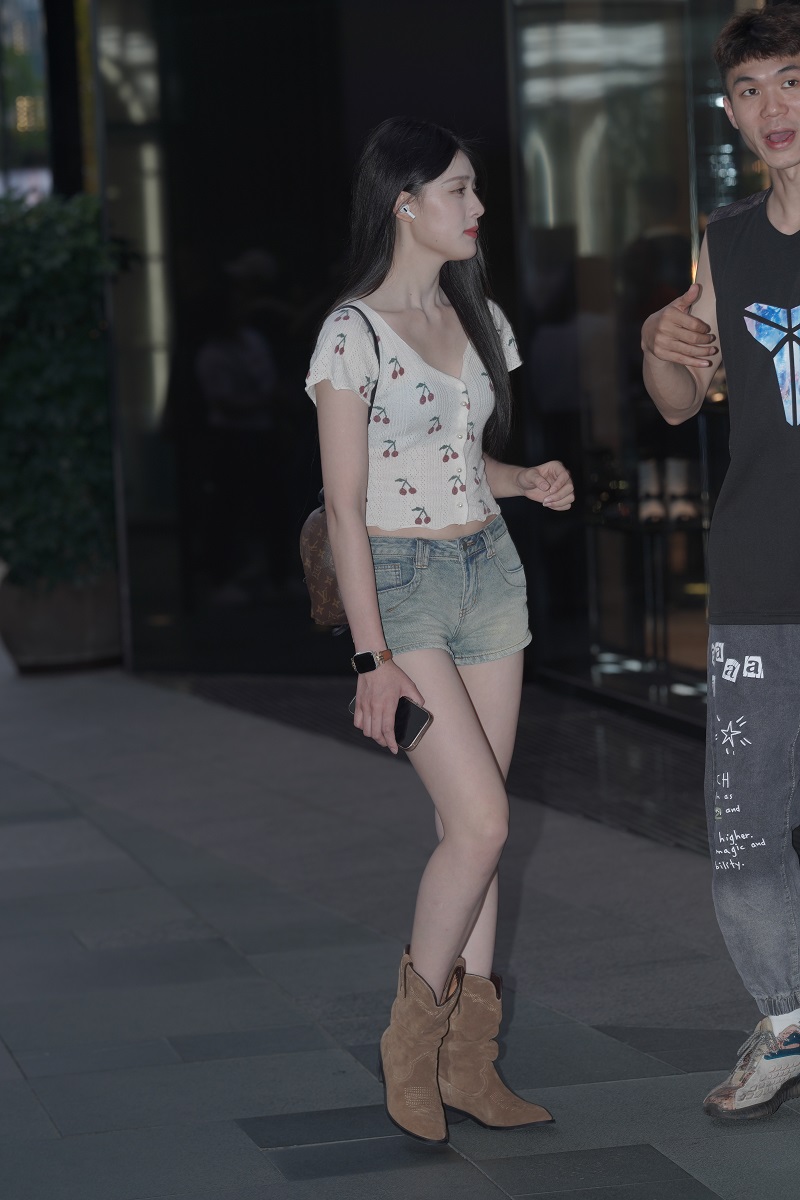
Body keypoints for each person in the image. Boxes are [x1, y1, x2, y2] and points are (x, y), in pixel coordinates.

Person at [305, 116, 574, 1143]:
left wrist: (524, 480)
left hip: (488, 574)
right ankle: (409, 1044)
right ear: (404, 201)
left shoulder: (478, 316)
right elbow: (345, 506)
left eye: (473, 188)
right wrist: (370, 657)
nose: (477, 206)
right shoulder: (351, 333)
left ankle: (471, 1064)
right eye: (460, 189)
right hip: (403, 587)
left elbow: (463, 463)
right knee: (482, 824)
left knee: (474, 829)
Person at [642, 5, 800, 1121]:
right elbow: (675, 401)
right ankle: (787, 1021)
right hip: (756, 574)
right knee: (743, 827)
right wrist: (659, 346)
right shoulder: (724, 239)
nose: (771, 107)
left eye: (791, 80)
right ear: (730, 113)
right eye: (749, 90)